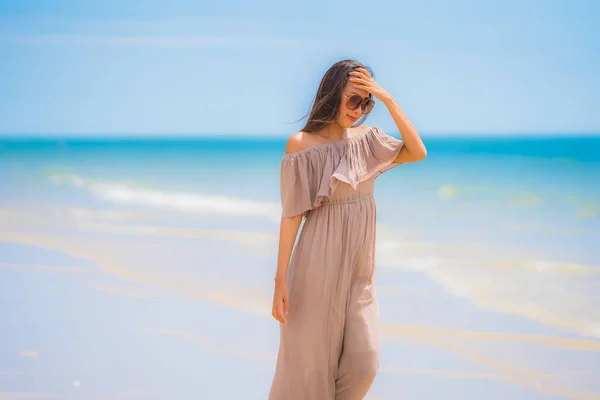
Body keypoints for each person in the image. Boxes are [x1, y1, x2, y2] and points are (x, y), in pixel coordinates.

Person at [269, 59, 427, 400]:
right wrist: (280, 279)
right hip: (315, 265)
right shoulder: (301, 144)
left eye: (366, 103)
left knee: (364, 364)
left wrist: (388, 100)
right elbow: (291, 215)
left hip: (359, 270)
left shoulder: (368, 140)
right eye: (353, 99)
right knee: (309, 372)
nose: (359, 110)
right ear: (332, 94)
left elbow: (417, 151)